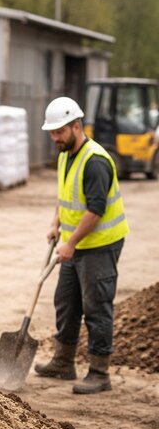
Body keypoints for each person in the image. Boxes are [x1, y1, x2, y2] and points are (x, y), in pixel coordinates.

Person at [35, 96, 129, 394]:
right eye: (51, 132)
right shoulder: (65, 154)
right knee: (66, 301)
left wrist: (71, 243)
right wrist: (56, 224)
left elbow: (96, 210)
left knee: (96, 307)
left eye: (59, 131)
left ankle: (100, 373)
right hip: (74, 244)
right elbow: (66, 197)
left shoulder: (96, 161)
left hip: (100, 245)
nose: (55, 138)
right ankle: (64, 363)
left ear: (77, 126)